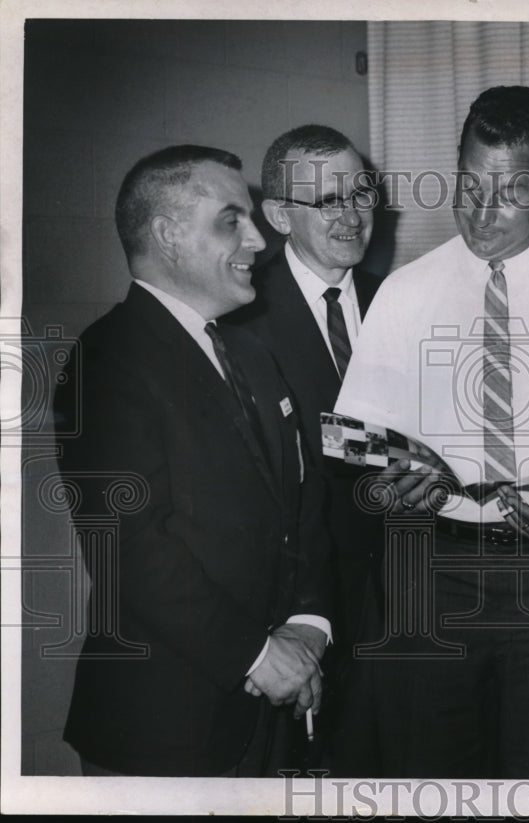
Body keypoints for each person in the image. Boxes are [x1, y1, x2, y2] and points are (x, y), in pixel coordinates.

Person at [334, 85, 529, 778]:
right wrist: (390, 481)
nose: (482, 211)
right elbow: (357, 444)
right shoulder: (403, 292)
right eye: (470, 184)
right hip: (428, 571)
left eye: (509, 191)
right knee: (429, 781)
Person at [54, 145, 332, 777]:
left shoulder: (254, 358)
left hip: (274, 720)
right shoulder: (107, 360)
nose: (258, 239)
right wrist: (260, 656)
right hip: (163, 728)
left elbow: (302, 506)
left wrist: (310, 625)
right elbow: (131, 549)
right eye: (231, 220)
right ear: (167, 235)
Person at [226, 125, 382, 666]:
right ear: (279, 216)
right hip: (301, 613)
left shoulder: (403, 299)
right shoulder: (238, 317)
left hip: (410, 599)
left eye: (361, 194)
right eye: (329, 201)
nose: (353, 216)